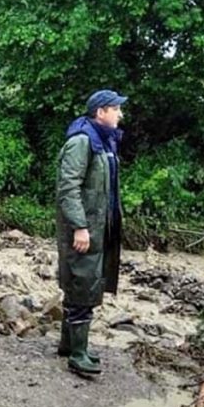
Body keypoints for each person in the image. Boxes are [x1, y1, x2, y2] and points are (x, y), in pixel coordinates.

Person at [55, 89, 127, 378]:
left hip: (99, 228)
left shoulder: (104, 142)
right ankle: (78, 354)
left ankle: (68, 344)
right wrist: (80, 226)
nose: (120, 114)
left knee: (85, 283)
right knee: (82, 284)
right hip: (83, 229)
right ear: (100, 112)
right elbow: (68, 188)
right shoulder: (82, 142)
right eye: (116, 109)